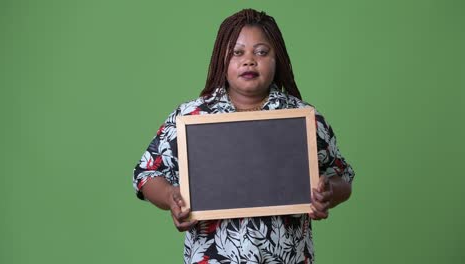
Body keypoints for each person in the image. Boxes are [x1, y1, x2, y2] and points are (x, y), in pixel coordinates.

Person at [133, 9, 355, 264]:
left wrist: (329, 192)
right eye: (237, 52)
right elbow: (147, 173)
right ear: (221, 59)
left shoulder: (302, 118)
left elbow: (342, 176)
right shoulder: (193, 117)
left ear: (278, 59)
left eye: (261, 52)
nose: (249, 60)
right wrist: (170, 195)